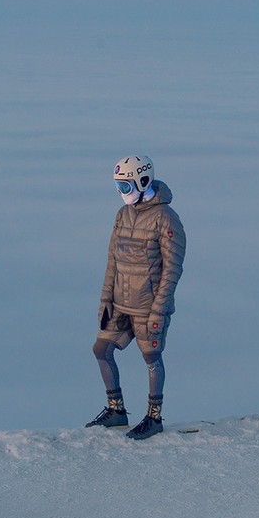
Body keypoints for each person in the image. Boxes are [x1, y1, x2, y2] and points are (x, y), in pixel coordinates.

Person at [86, 155, 186, 439]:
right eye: (118, 186)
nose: (122, 193)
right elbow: (112, 261)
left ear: (143, 181)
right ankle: (116, 410)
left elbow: (172, 268)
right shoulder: (122, 215)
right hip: (120, 303)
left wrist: (159, 308)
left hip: (148, 305)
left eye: (126, 187)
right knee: (101, 350)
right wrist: (106, 300)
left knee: (151, 357)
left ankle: (154, 417)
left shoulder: (166, 218)